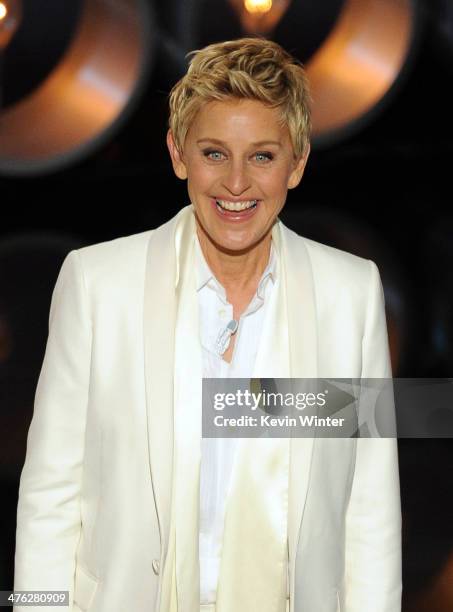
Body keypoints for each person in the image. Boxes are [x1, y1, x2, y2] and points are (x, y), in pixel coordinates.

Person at [14, 37, 402, 612]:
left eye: (263, 156)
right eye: (215, 153)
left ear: (297, 163)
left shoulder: (349, 293)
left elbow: (367, 505)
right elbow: (50, 490)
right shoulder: (98, 284)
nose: (237, 183)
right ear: (178, 154)